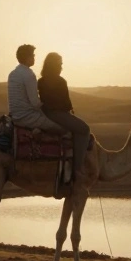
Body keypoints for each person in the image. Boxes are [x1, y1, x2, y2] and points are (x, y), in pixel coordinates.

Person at [37, 52, 91, 184]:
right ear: (55, 65)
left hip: (47, 114)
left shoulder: (41, 81)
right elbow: (65, 104)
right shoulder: (61, 81)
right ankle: (77, 169)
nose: (61, 67)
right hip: (58, 115)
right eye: (60, 64)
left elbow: (43, 100)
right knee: (84, 129)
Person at [7, 44, 64, 134]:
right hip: (27, 117)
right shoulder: (29, 75)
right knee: (61, 128)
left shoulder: (13, 74)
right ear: (28, 57)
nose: (34, 58)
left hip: (15, 116)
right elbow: (35, 103)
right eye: (33, 55)